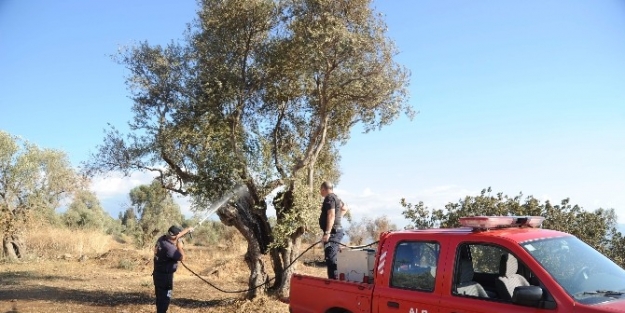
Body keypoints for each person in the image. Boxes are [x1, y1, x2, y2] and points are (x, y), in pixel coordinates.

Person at [153, 225, 194, 313]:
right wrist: (180, 247)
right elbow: (182, 258)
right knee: (165, 299)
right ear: (175, 236)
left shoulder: (162, 239)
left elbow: (176, 236)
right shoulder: (170, 248)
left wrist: (187, 230)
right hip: (165, 278)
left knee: (159, 297)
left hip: (157, 274)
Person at [318, 181, 348, 279]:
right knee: (333, 257)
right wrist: (338, 219)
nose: (320, 193)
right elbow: (345, 208)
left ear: (323, 189)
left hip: (333, 233)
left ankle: (333, 283)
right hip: (337, 231)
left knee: (331, 259)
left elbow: (331, 215)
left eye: (320, 190)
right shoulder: (337, 198)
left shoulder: (329, 198)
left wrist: (327, 233)